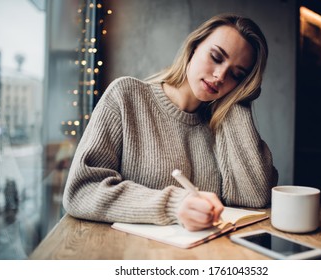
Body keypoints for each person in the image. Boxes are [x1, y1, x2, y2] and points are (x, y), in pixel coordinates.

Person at [63, 13, 278, 231]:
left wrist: (240, 98)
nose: (220, 76)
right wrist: (173, 206)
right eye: (216, 57)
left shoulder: (224, 126)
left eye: (236, 74)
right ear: (194, 47)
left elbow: (255, 196)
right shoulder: (126, 96)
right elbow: (82, 190)